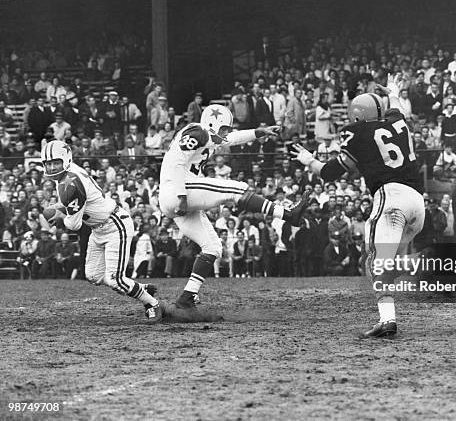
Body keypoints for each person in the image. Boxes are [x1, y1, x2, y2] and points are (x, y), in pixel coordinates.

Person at [292, 74, 424, 337]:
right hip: (417, 203)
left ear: (356, 116)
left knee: (375, 263)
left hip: (391, 200)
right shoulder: (398, 122)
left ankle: (389, 318)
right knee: (383, 263)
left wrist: (308, 160)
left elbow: (330, 172)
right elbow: (396, 108)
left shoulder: (358, 131)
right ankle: (417, 264)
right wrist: (394, 91)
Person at [158, 105, 311, 318]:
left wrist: (258, 132)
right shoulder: (197, 132)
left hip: (175, 193)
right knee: (236, 188)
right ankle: (288, 215)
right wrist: (181, 196)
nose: (227, 132)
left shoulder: (205, 135)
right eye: (225, 128)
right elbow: (176, 162)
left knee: (212, 247)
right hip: (177, 189)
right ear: (214, 124)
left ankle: (186, 299)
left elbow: (231, 139)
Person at [40, 140, 162, 320]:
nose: (51, 167)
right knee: (93, 275)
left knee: (115, 280)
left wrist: (60, 216)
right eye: (48, 163)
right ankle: (139, 287)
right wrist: (60, 207)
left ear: (66, 159)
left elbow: (74, 225)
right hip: (98, 229)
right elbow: (79, 204)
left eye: (55, 162)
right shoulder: (69, 176)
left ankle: (152, 303)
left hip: (114, 225)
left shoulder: (70, 182)